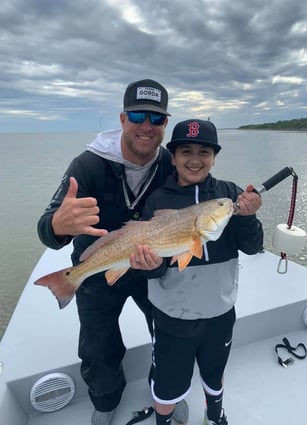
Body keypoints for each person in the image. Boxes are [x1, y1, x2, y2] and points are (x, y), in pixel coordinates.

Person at [37, 79, 189, 425]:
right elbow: (47, 229)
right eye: (138, 115)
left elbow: (198, 199)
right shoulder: (87, 165)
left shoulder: (170, 166)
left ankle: (167, 390)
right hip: (97, 266)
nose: (147, 127)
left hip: (151, 264)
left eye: (157, 118)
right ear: (122, 119)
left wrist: (240, 202)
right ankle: (106, 400)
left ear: (165, 124)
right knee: (98, 343)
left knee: (168, 331)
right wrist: (59, 225)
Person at [131, 119, 264, 425]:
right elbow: (155, 265)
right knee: (167, 382)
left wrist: (248, 216)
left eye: (204, 151)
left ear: (214, 157)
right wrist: (152, 266)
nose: (194, 159)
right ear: (172, 157)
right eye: (185, 151)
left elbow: (252, 247)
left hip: (220, 312)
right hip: (171, 316)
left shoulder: (227, 194)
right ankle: (163, 420)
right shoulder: (157, 200)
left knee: (214, 372)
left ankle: (214, 414)